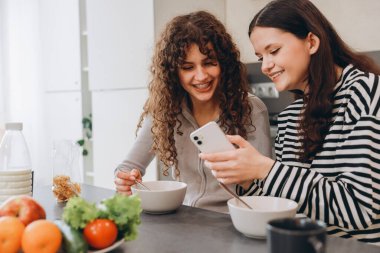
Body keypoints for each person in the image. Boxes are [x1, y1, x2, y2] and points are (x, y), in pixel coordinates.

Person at [200, 0, 380, 244]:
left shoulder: (366, 92)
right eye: (260, 56)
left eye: (273, 51)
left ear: (311, 42)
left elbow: (359, 210)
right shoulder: (290, 117)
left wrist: (266, 170)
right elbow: (291, 206)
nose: (265, 65)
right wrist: (248, 181)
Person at [114, 11, 272, 213]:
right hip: (183, 218)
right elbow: (127, 168)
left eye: (208, 63)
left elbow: (266, 188)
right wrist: (124, 180)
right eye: (188, 67)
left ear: (223, 63)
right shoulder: (165, 111)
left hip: (234, 220)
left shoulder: (251, 109)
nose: (201, 76)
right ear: (173, 72)